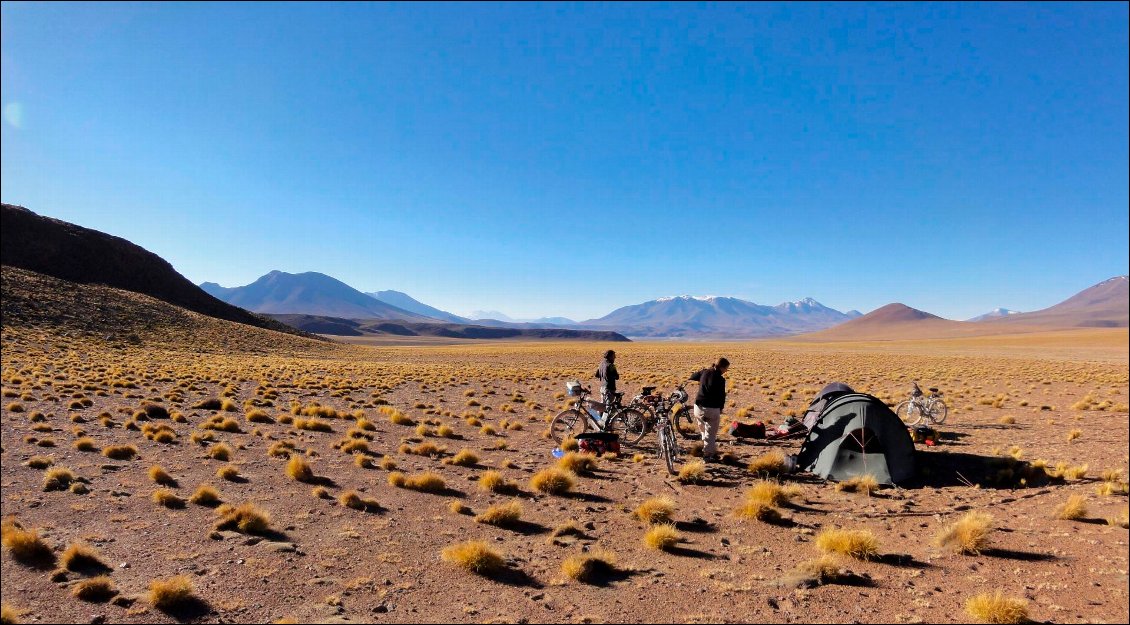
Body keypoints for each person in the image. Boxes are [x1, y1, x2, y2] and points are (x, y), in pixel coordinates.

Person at [689, 357, 729, 460]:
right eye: (726, 368)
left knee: (703, 429)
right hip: (711, 409)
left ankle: (704, 447)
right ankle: (708, 455)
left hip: (698, 407)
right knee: (711, 434)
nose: (726, 371)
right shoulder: (720, 379)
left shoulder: (704, 372)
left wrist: (704, 371)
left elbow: (693, 376)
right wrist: (721, 408)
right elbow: (721, 396)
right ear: (722, 367)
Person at [595, 349, 619, 419]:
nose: (615, 357)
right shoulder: (611, 365)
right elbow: (617, 377)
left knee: (602, 406)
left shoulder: (601, 364)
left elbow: (596, 375)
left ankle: (599, 421)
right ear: (610, 356)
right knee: (609, 407)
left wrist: (603, 376)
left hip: (602, 388)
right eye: (614, 356)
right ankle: (607, 424)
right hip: (609, 389)